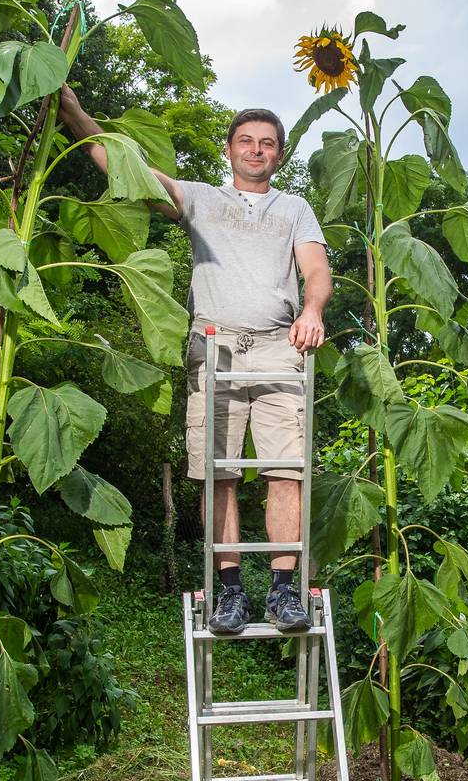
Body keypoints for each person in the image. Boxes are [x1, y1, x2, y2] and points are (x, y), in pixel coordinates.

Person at [58, 87, 332, 636]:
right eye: (246, 142)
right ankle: (229, 591)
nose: (256, 151)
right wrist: (76, 115)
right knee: (218, 475)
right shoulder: (202, 199)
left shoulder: (294, 208)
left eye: (268, 144)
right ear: (229, 151)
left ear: (279, 156)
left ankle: (283, 592)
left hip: (283, 347)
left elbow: (316, 268)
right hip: (217, 345)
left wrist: (313, 310)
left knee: (288, 471)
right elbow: (129, 169)